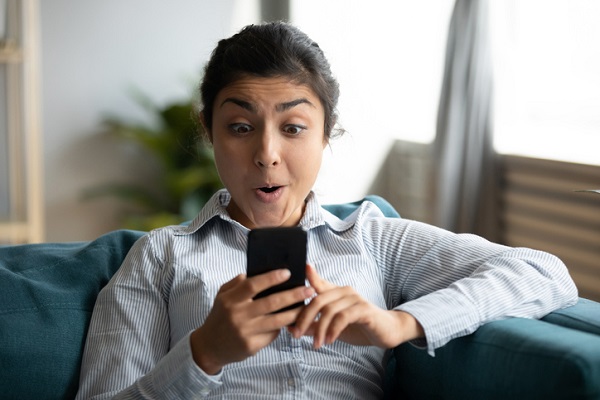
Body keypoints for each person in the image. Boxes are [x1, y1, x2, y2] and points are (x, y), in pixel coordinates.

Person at [76, 22, 577, 399]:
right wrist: (203, 353)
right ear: (210, 132)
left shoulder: (373, 239)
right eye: (241, 126)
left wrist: (397, 325)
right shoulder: (158, 258)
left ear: (325, 134)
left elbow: (542, 272)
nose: (267, 154)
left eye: (293, 128)